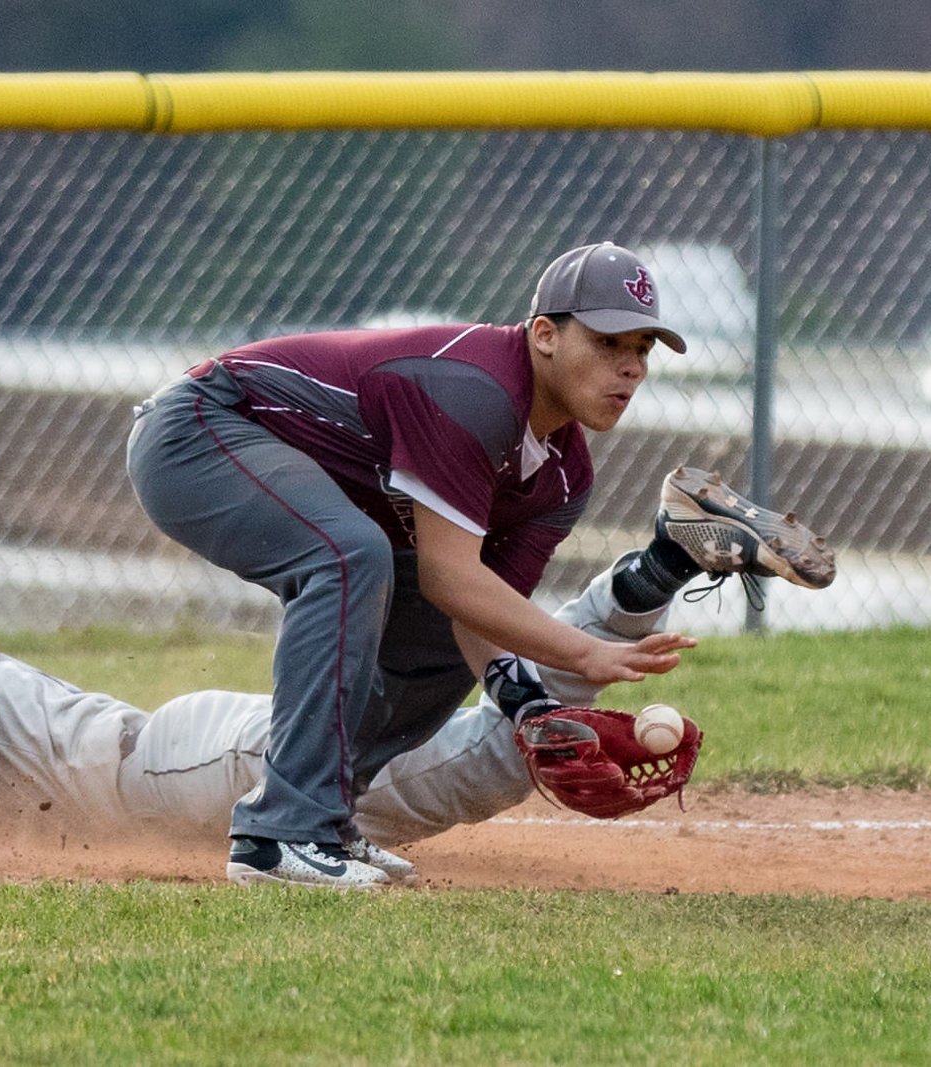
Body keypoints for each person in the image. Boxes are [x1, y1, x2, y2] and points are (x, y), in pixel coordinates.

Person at [0, 467, 835, 890]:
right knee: (460, 765)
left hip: (177, 769)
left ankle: (659, 564)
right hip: (186, 763)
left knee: (450, 771)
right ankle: (658, 565)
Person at [122, 241, 719, 887]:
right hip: (199, 429)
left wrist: (534, 712)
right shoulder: (476, 392)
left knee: (425, 610)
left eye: (641, 349)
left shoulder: (563, 477)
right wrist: (584, 654)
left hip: (270, 458)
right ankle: (280, 834)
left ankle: (325, 816)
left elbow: (473, 608)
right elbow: (447, 571)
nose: (630, 368)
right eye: (608, 343)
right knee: (350, 555)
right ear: (544, 334)